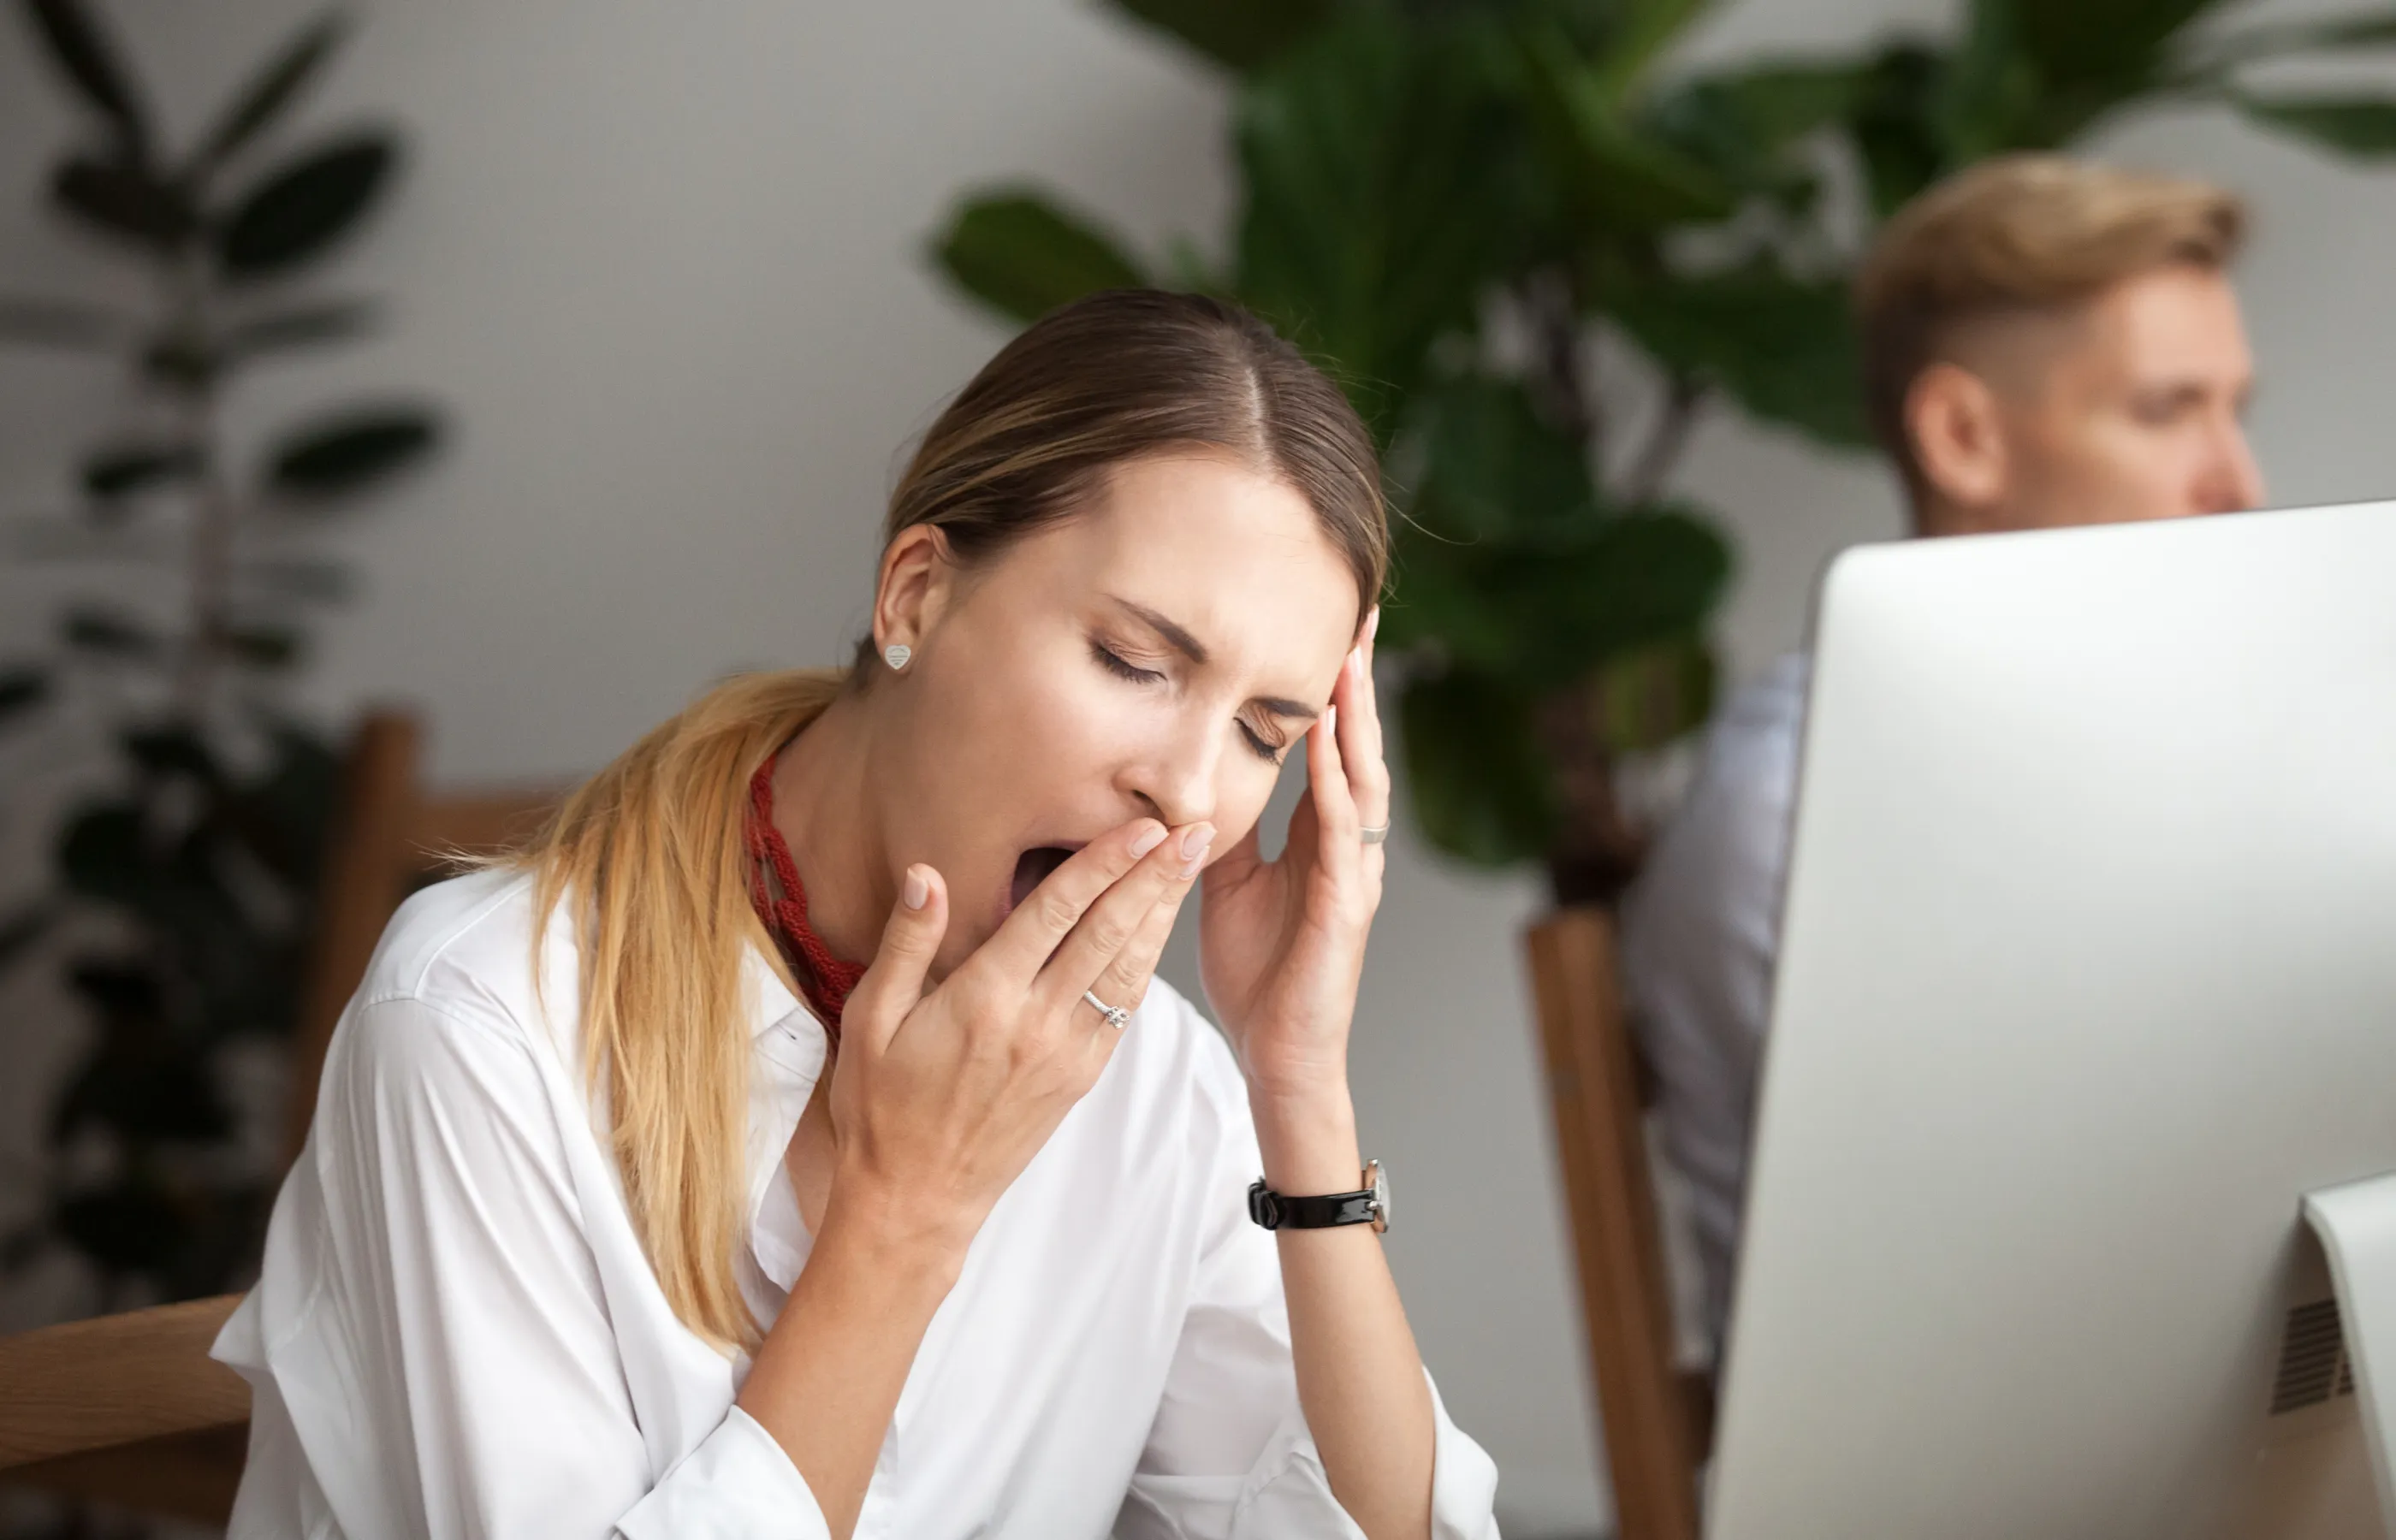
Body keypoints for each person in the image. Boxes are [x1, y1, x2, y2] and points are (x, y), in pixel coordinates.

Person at [212, 290, 1500, 1540]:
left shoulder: (1156, 1085)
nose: (1184, 786)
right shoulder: (480, 1027)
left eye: (1262, 733)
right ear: (916, 596)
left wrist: (1300, 1088)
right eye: (1132, 662)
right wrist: (906, 1216)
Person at [1620, 155, 2266, 1359]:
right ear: (1964, 436)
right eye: (2168, 410)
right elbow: (2025, 1289)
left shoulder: (2201, 768)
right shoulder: (1796, 820)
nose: (2239, 484)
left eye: (2238, 410)